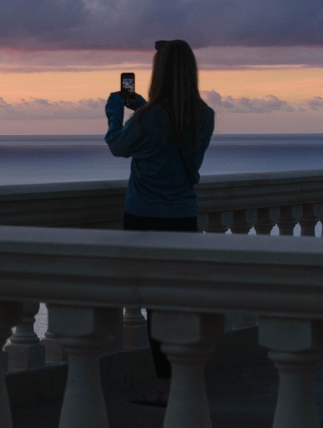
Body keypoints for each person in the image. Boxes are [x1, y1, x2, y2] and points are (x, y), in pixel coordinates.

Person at [104, 39, 215, 406]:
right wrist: (143, 109)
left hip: (144, 216)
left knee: (154, 306)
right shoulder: (205, 115)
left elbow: (119, 146)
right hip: (183, 216)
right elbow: (175, 143)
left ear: (160, 71)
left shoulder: (150, 118)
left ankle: (165, 387)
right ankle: (186, 380)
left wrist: (115, 112)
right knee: (179, 300)